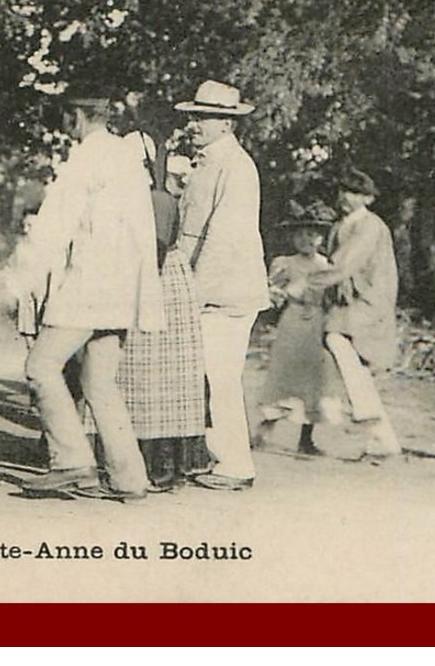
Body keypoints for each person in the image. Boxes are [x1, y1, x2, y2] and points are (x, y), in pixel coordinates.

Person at [17, 93, 162, 503]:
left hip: (88, 284)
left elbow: (54, 226)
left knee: (40, 366)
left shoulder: (85, 158)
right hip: (121, 290)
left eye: (66, 120)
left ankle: (71, 461)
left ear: (77, 117)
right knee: (99, 383)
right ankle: (130, 478)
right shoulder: (128, 159)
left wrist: (17, 280)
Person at [173, 79, 271, 491]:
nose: (194, 124)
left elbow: (223, 237)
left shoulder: (236, 167)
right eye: (193, 116)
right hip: (209, 285)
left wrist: (193, 292)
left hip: (224, 290)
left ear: (227, 124)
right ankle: (209, 456)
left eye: (205, 117)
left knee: (220, 374)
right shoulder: (206, 162)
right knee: (204, 373)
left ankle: (234, 463)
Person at [106, 132, 212, 492]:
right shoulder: (136, 198)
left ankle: (161, 463)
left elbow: (156, 250)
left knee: (155, 375)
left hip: (157, 281)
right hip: (152, 278)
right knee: (151, 376)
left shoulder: (157, 200)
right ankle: (156, 461)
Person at [310, 167, 403, 462]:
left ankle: (369, 418)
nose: (347, 198)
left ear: (369, 199)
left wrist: (306, 282)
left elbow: (344, 264)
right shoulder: (341, 225)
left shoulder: (370, 226)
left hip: (369, 299)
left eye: (356, 193)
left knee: (337, 340)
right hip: (345, 302)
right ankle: (382, 438)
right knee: (350, 360)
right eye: (344, 191)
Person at [256, 200, 340, 456]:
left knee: (314, 379)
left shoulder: (326, 265)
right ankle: (265, 427)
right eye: (301, 234)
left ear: (322, 238)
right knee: (286, 375)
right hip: (292, 322)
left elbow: (333, 295)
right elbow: (272, 291)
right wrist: (281, 293)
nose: (306, 239)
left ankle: (306, 438)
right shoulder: (286, 263)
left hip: (316, 321)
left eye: (312, 234)